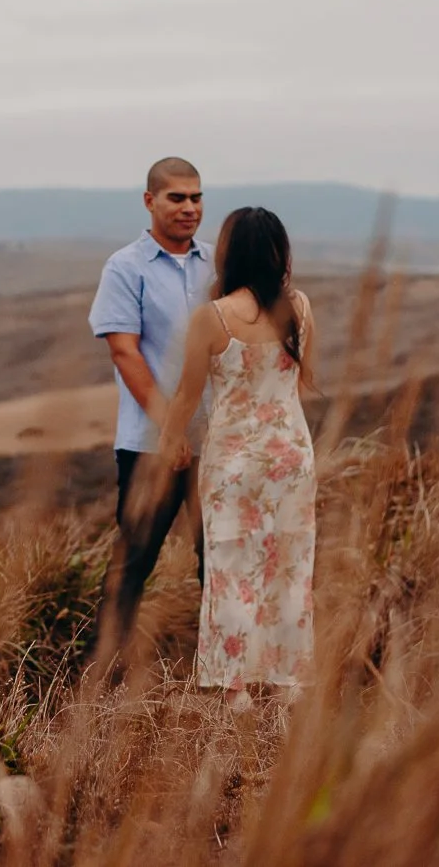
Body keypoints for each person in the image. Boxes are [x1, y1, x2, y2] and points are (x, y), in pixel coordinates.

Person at [158, 207, 317, 708]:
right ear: (279, 253)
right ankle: (289, 681)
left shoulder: (212, 317)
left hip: (233, 462)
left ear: (227, 254)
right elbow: (302, 380)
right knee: (292, 565)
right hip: (291, 453)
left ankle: (235, 688)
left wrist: (171, 440)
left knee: (230, 565)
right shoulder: (301, 309)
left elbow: (187, 395)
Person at [86, 157, 214, 676]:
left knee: (219, 561)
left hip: (217, 441)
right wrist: (171, 427)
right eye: (177, 198)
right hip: (148, 444)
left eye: (197, 198)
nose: (189, 208)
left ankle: (221, 673)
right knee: (134, 561)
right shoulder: (125, 267)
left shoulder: (217, 266)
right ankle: (103, 675)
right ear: (150, 201)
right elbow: (125, 353)